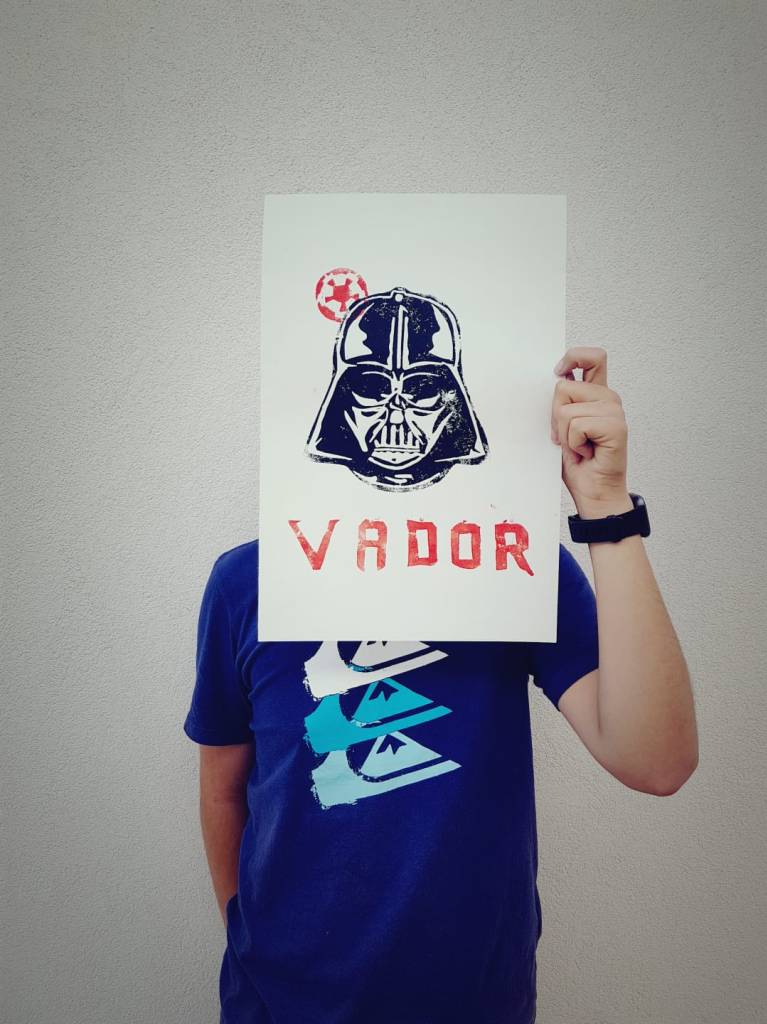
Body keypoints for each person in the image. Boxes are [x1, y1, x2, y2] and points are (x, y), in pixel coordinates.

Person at [183, 347, 698, 1024]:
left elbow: (657, 760)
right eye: (371, 387)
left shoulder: (520, 570)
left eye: (423, 387)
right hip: (279, 1003)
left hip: (475, 1001)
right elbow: (222, 788)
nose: (396, 414)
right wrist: (252, 942)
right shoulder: (246, 583)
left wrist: (606, 506)